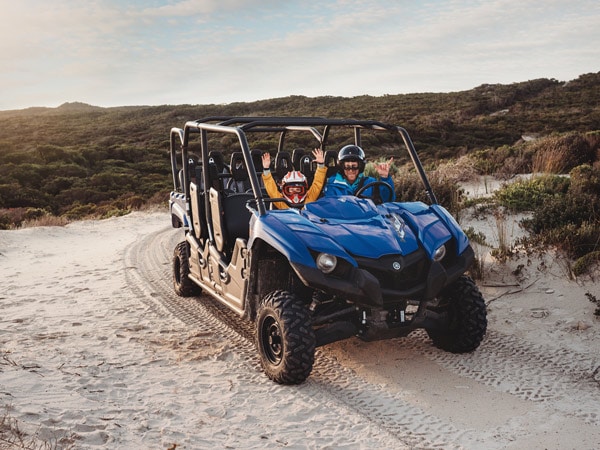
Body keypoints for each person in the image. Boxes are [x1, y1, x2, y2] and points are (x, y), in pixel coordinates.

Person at [324, 145, 395, 202]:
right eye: (347, 167)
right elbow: (330, 207)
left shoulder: (370, 183)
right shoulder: (332, 185)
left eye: (354, 166)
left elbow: (388, 200)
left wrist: (385, 177)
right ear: (342, 167)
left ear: (360, 167)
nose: (351, 170)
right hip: (342, 219)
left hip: (367, 218)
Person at [262, 148, 327, 209]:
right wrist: (266, 169)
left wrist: (321, 165)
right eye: (291, 190)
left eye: (298, 189)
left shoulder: (309, 200)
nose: (295, 193)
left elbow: (317, 184)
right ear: (284, 189)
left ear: (304, 189)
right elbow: (271, 190)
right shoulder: (281, 203)